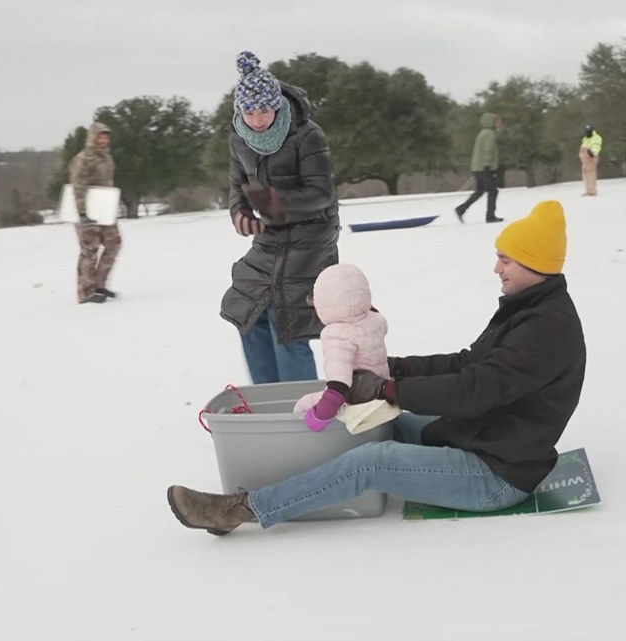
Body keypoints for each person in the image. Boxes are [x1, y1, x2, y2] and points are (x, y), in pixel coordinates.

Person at [169, 200, 587, 535]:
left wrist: (386, 390)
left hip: (497, 475)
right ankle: (284, 487)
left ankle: (243, 509)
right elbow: (468, 362)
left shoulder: (545, 330)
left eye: (506, 260)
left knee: (371, 459)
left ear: (534, 264)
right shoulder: (528, 311)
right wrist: (394, 369)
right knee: (371, 424)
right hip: (479, 439)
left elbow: (473, 389)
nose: (497, 268)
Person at [220, 51, 340, 385]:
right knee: (249, 310)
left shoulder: (307, 135)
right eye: (249, 111)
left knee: (286, 319)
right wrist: (240, 212)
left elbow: (323, 195)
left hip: (313, 233)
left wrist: (275, 201)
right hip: (273, 233)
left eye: (264, 110)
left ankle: (300, 403)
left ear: (277, 104)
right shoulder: (239, 136)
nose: (257, 119)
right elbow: (236, 184)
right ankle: (267, 394)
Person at [291, 263, 391, 432]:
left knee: (302, 404)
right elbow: (366, 308)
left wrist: (322, 414)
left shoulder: (337, 334)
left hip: (355, 396)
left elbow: (339, 382)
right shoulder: (375, 320)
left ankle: (305, 439)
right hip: (380, 388)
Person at [69, 121, 122, 304]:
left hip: (105, 211)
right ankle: (86, 291)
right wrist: (82, 213)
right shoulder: (83, 159)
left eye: (106, 136)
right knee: (89, 251)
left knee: (113, 243)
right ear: (93, 137)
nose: (104, 140)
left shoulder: (106, 158)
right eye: (100, 136)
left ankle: (99, 285)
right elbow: (78, 186)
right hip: (87, 212)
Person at [455, 113, 504, 224]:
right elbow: (488, 151)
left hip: (477, 168)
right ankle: (490, 216)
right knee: (493, 191)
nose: (500, 124)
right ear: (492, 122)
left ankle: (461, 209)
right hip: (483, 168)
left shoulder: (483, 133)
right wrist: (488, 167)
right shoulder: (489, 134)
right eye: (498, 121)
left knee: (480, 191)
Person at [579, 124, 603, 196]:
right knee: (585, 173)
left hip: (591, 156)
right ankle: (588, 190)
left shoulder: (596, 137)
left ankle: (592, 190)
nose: (587, 132)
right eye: (586, 131)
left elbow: (597, 145)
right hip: (584, 158)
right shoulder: (585, 138)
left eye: (589, 130)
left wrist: (593, 152)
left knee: (591, 173)